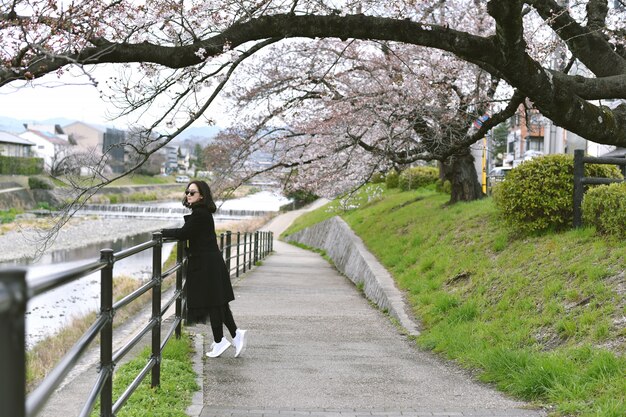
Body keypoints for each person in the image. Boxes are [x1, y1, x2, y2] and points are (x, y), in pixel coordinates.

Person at [161, 180, 247, 358]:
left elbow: (184, 233)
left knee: (213, 302)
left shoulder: (200, 214)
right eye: (187, 192)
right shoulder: (202, 212)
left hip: (206, 264)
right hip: (210, 262)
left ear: (202, 195)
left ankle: (220, 341)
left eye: (192, 192)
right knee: (218, 302)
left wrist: (162, 232)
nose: (188, 195)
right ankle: (234, 335)